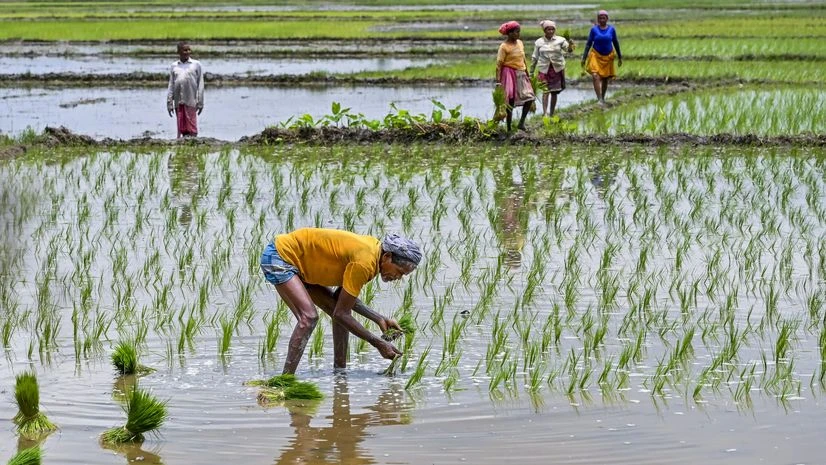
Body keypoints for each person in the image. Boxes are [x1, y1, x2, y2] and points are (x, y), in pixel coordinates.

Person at [260, 228, 422, 374]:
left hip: (303, 267)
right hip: (280, 257)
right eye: (399, 272)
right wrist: (378, 343)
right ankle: (285, 382)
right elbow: (341, 313)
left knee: (338, 309)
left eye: (403, 276)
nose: (398, 278)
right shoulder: (365, 262)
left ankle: (339, 372)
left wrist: (379, 318)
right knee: (309, 318)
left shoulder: (373, 256)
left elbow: (341, 300)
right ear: (387, 257)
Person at [530, 20, 575, 117]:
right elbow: (535, 57)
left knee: (554, 92)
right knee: (545, 91)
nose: (550, 31)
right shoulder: (539, 42)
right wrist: (531, 72)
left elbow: (568, 50)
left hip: (557, 69)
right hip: (544, 69)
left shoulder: (561, 40)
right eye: (548, 29)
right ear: (544, 30)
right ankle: (545, 113)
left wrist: (570, 44)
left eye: (552, 29)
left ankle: (552, 113)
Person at [496, 21, 535, 132]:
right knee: (510, 101)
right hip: (509, 74)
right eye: (516, 32)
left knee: (530, 97)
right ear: (510, 33)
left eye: (519, 32)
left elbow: (523, 59)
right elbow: (498, 65)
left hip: (521, 73)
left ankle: (521, 123)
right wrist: (498, 82)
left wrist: (527, 74)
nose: (518, 34)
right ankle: (508, 128)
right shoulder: (504, 47)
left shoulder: (520, 43)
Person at [580, 10, 622, 105]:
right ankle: (599, 99)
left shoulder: (611, 29)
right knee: (595, 75)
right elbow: (588, 44)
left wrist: (620, 57)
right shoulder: (594, 30)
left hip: (608, 56)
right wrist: (584, 57)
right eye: (600, 18)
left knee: (605, 78)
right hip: (596, 55)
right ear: (597, 19)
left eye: (604, 18)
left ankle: (602, 97)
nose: (602, 20)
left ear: (607, 19)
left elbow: (615, 42)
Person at [166, 41, 204, 138]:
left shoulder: (196, 64)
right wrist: (169, 102)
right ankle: (183, 144)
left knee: (192, 127)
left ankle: (193, 142)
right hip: (179, 101)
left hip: (191, 100)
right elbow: (171, 85)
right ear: (179, 51)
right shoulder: (174, 66)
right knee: (181, 126)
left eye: (189, 50)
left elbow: (200, 84)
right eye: (185, 50)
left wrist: (200, 102)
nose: (187, 52)